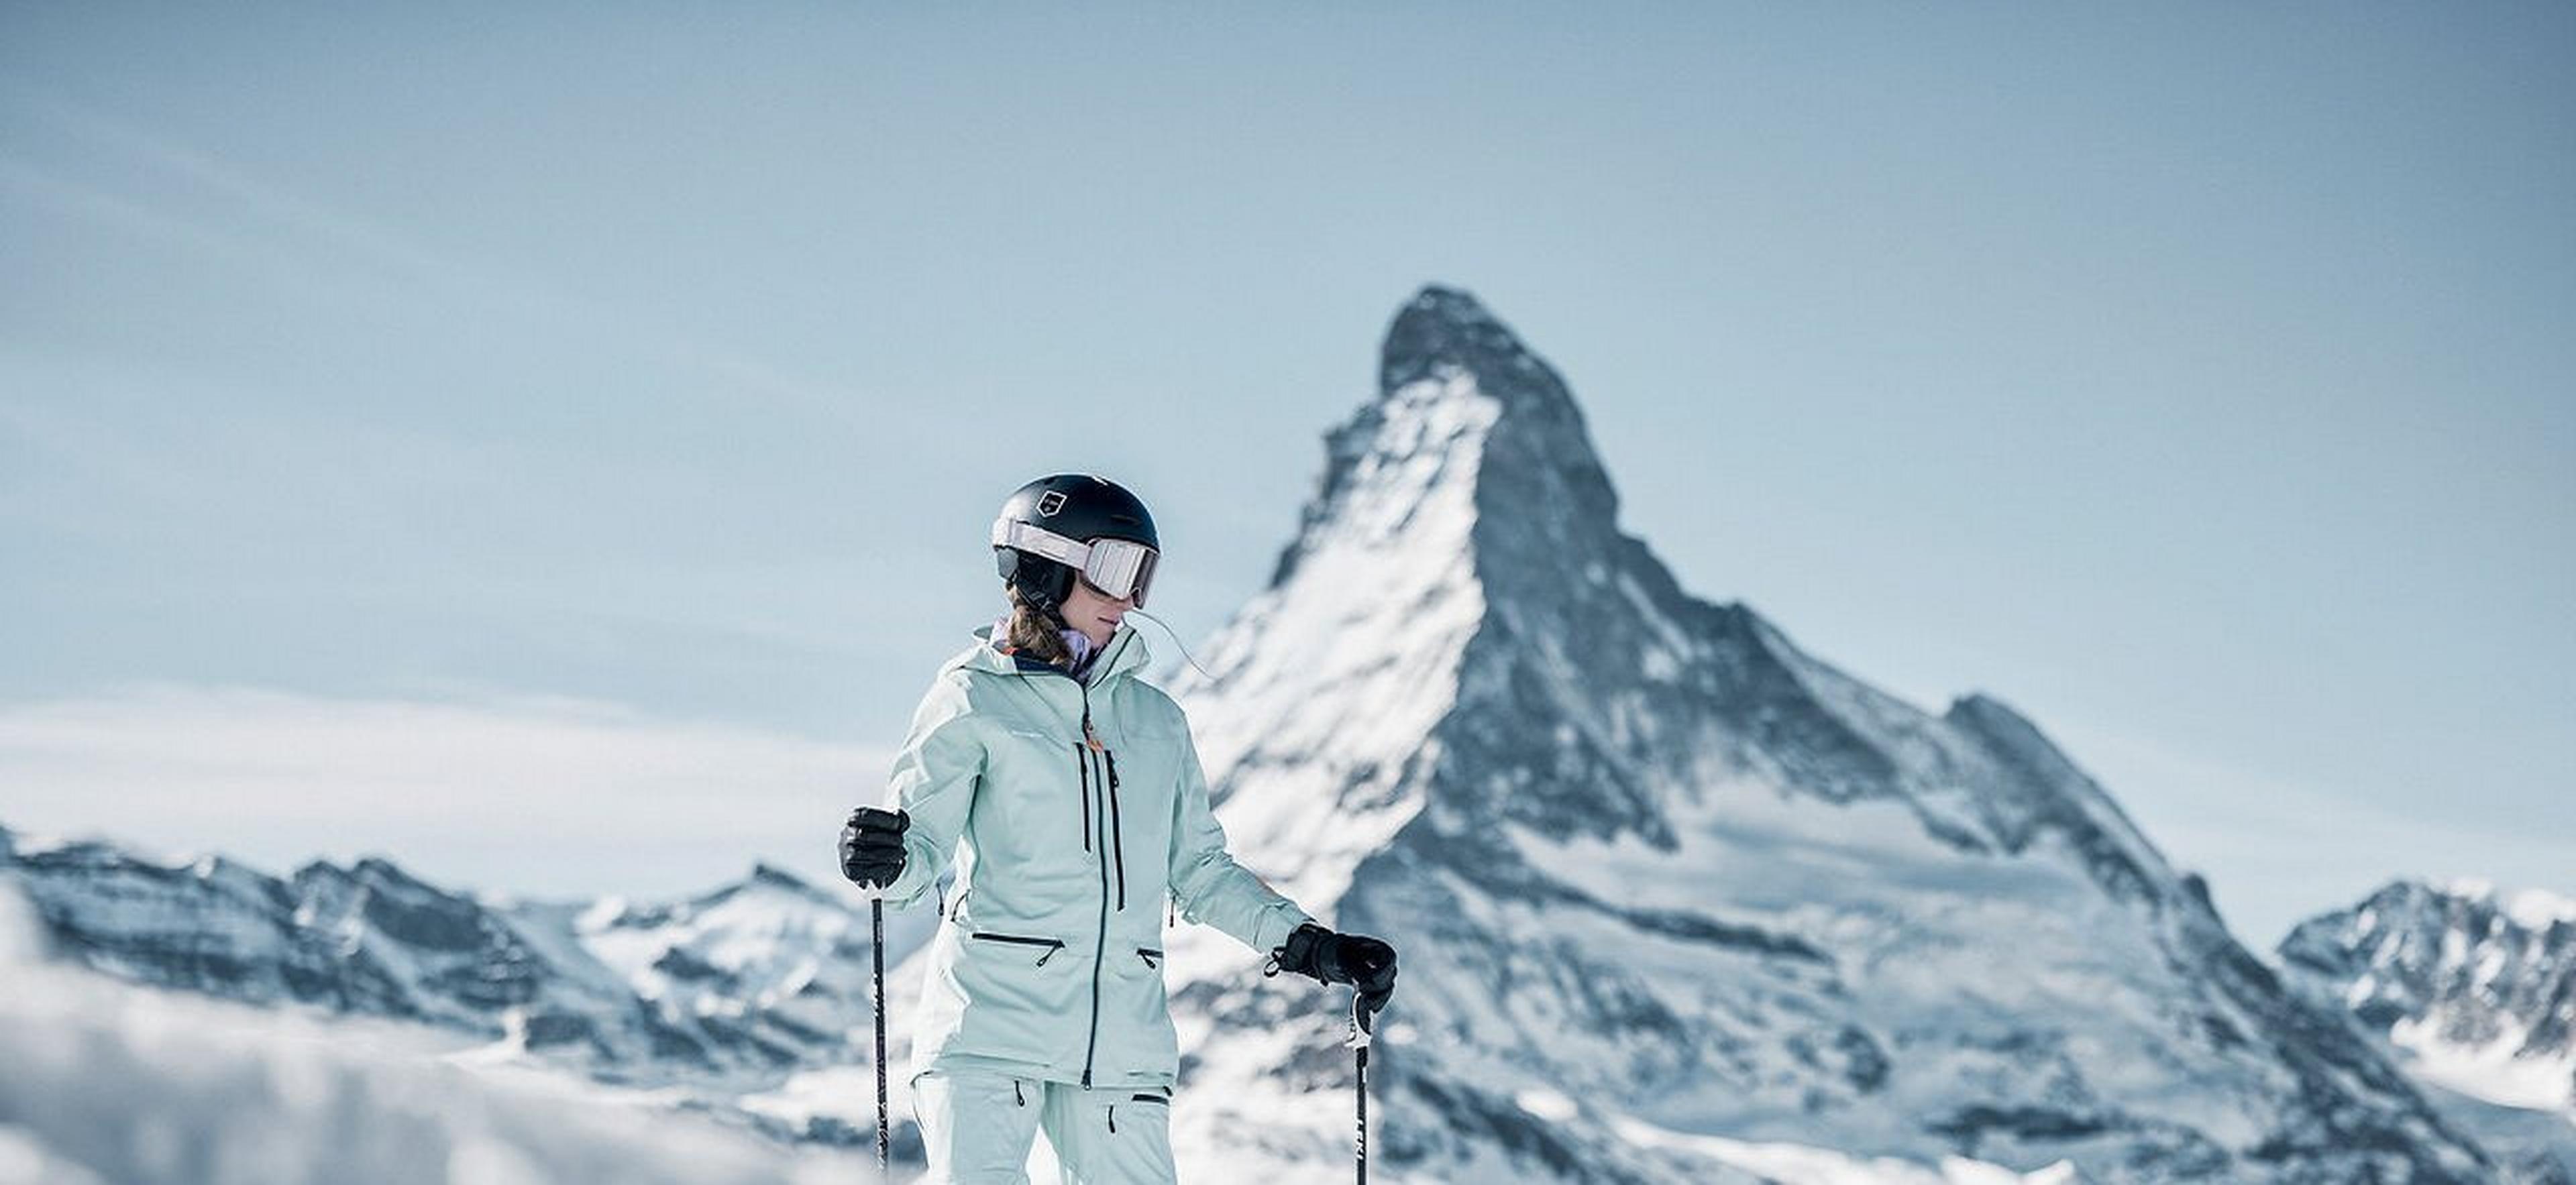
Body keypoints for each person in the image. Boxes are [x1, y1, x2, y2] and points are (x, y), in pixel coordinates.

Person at [839, 473, 1399, 1185]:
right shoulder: (973, 698)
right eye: (1112, 570)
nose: (1130, 598)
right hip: (988, 1031)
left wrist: (1312, 946)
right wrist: (880, 856)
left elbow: (1199, 870)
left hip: (1121, 1048)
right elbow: (918, 855)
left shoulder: (1156, 723)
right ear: (1042, 569)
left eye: (1144, 575)